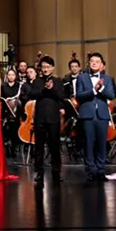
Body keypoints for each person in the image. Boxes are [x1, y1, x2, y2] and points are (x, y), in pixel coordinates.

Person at [76, 52, 116, 182]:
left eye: (97, 61)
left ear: (102, 64)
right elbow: (79, 96)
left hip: (102, 115)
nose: (94, 63)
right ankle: (91, 170)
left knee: (102, 143)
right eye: (92, 61)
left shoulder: (108, 78)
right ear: (89, 63)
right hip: (87, 114)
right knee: (89, 143)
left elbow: (112, 95)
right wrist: (93, 90)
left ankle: (101, 170)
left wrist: (101, 89)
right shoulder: (82, 78)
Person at [29, 56, 65, 185]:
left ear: (52, 68)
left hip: (53, 118)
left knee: (55, 146)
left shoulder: (58, 81)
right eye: (43, 67)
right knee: (39, 147)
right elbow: (32, 94)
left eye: (48, 67)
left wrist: (52, 89)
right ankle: (39, 172)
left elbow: (61, 96)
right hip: (40, 117)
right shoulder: (37, 81)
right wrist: (44, 89)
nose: (45, 69)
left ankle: (56, 172)